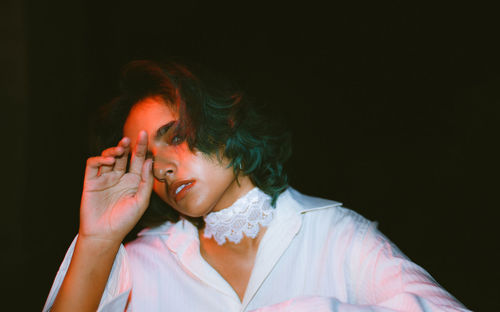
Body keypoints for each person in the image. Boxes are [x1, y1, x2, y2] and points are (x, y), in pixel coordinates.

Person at [44, 61, 469, 311]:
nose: (164, 169)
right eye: (148, 160)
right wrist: (97, 239)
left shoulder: (334, 236)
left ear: (226, 125)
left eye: (175, 136)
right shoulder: (137, 263)